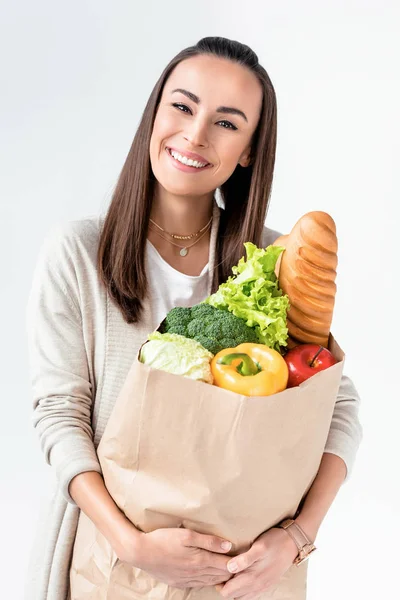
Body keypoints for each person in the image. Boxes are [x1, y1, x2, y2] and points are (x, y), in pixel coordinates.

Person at [26, 36, 362, 600]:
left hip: (244, 573)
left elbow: (337, 404)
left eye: (227, 123)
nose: (196, 134)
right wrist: (131, 544)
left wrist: (298, 536)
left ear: (250, 150)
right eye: (182, 106)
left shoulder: (275, 264)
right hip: (112, 562)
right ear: (156, 112)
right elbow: (60, 414)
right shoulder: (77, 252)